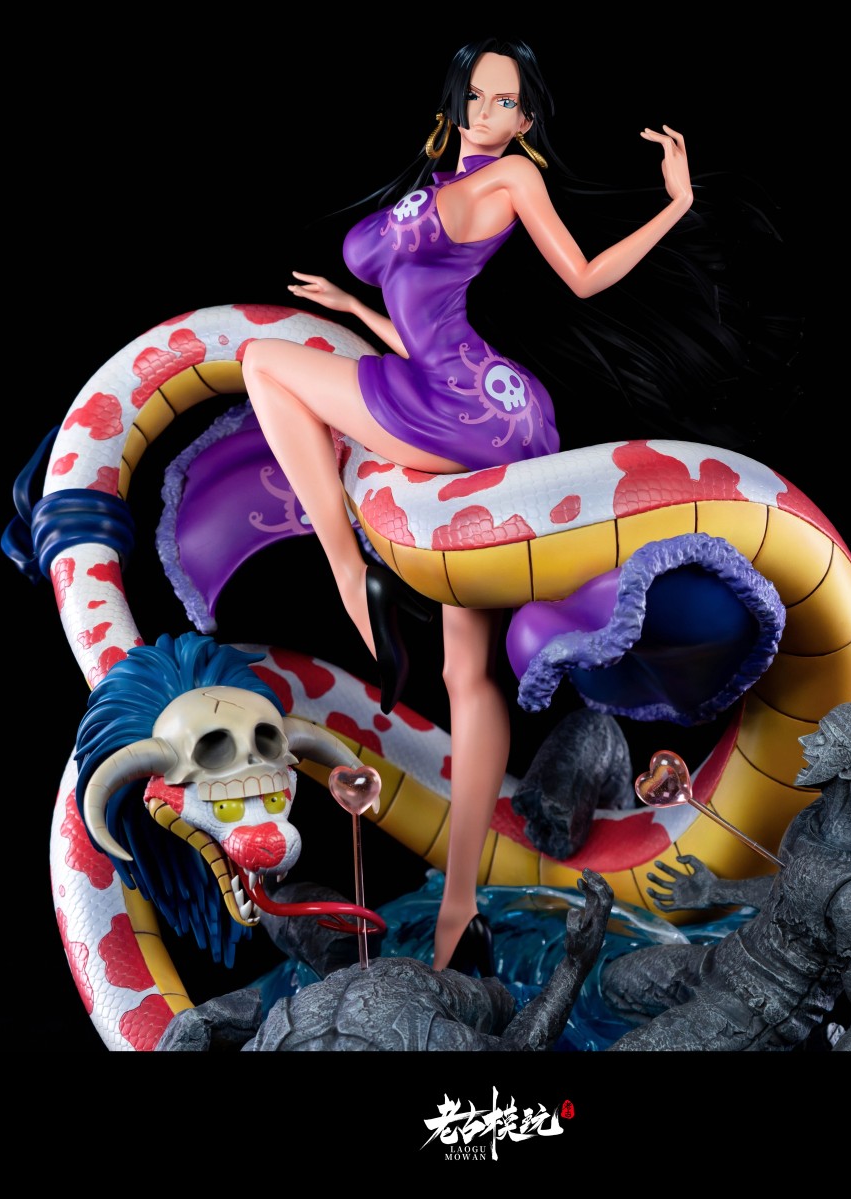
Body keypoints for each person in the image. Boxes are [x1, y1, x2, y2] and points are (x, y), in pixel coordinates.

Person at [238, 36, 699, 974]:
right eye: (478, 97)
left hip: (465, 407)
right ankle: (459, 912)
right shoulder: (442, 182)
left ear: (527, 120)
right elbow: (426, 319)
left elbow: (582, 277)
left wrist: (675, 203)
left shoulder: (515, 177)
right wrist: (357, 315)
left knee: (260, 361)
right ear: (454, 102)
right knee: (464, 674)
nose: (490, 113)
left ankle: (345, 566)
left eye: (508, 103)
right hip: (471, 399)